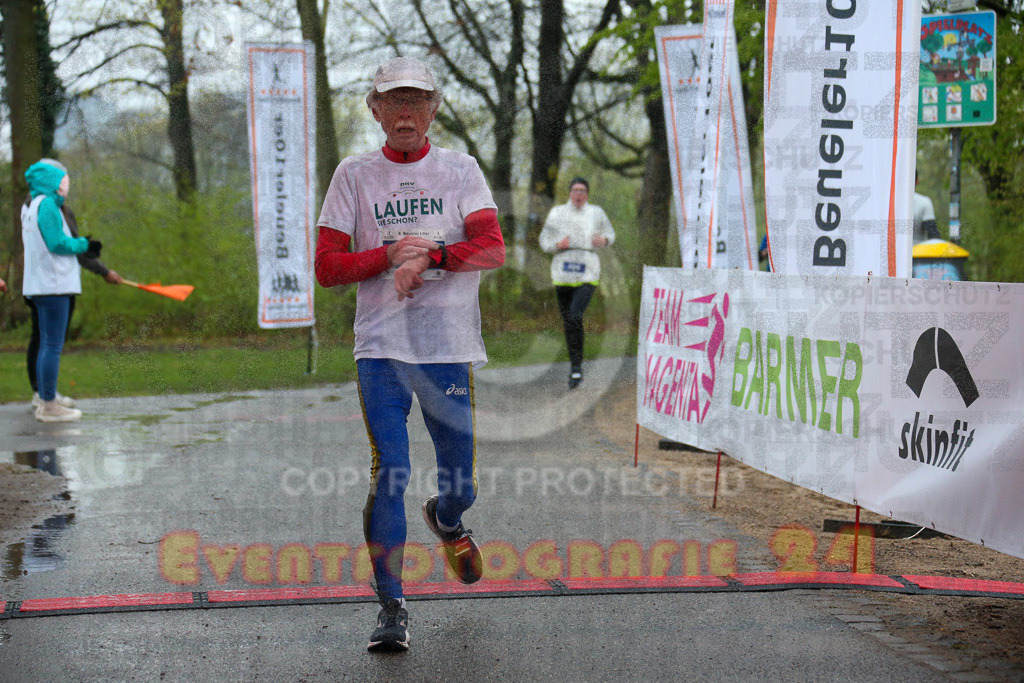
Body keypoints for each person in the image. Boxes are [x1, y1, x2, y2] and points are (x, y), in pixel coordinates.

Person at [314, 56, 504, 652]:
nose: (404, 112)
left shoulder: (461, 170)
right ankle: (391, 606)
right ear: (374, 109)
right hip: (382, 352)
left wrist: (436, 256)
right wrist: (391, 252)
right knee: (390, 471)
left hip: (447, 350)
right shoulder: (354, 175)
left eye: (416, 101)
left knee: (461, 484)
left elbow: (492, 248)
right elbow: (326, 268)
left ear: (434, 109)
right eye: (392, 101)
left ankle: (446, 519)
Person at [24, 158, 123, 411]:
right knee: (50, 345)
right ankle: (47, 402)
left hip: (46, 284)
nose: (66, 183)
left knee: (47, 343)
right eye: (61, 178)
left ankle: (47, 396)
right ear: (50, 180)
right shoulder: (46, 205)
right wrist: (85, 246)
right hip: (53, 285)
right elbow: (57, 242)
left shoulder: (37, 205)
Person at [538, 176, 615, 389]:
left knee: (575, 315)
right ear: (569, 193)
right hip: (563, 270)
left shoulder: (596, 212)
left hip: (587, 270)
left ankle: (576, 368)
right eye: (575, 190)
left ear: (587, 194)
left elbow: (610, 234)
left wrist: (604, 240)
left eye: (582, 191)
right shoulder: (557, 213)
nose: (578, 195)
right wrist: (557, 244)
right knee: (569, 321)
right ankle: (575, 366)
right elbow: (544, 241)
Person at [914, 169, 940, 245]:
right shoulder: (924, 202)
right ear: (917, 181)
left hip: (892, 254)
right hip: (918, 254)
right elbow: (932, 233)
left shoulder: (889, 202)